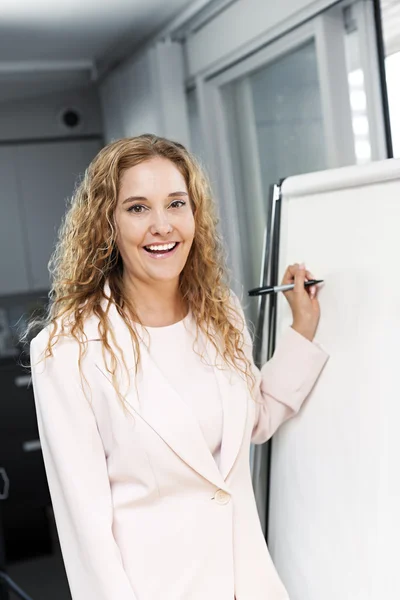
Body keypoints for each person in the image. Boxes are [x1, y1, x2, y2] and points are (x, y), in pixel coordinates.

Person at [29, 134, 329, 600]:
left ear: (194, 214)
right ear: (106, 224)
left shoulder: (220, 313)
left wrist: (302, 330)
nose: (162, 225)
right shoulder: (66, 349)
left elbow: (254, 419)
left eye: (175, 203)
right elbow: (85, 528)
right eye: (137, 208)